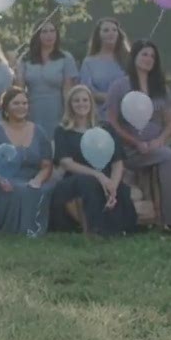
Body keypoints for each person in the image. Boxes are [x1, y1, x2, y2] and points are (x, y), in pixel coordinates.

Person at [103, 39, 171, 230]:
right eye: (144, 54)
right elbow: (112, 121)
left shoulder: (160, 87)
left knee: (170, 160)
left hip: (155, 147)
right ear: (135, 57)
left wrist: (159, 141)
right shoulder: (120, 86)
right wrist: (134, 141)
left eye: (152, 56)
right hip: (129, 149)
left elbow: (170, 122)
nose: (148, 59)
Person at [49, 84, 138, 237]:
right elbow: (66, 162)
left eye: (85, 100)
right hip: (74, 180)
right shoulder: (62, 130)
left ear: (91, 103)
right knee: (88, 183)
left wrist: (113, 186)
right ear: (70, 105)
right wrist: (98, 175)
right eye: (76, 101)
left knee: (121, 190)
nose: (81, 104)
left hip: (106, 178)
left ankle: (118, 228)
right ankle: (95, 230)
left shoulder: (106, 129)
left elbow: (118, 162)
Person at [0, 86, 54, 238]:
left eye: (24, 103)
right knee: (18, 189)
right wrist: (0, 179)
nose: (21, 107)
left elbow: (46, 166)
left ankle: (34, 230)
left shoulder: (39, 132)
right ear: (6, 108)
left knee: (39, 189)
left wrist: (37, 180)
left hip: (33, 179)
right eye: (16, 103)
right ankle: (15, 231)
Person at [17, 20, 78, 135]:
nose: (49, 35)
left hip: (57, 110)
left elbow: (68, 90)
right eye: (44, 31)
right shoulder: (25, 59)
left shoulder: (65, 58)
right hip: (32, 110)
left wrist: (69, 115)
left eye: (52, 31)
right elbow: (19, 89)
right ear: (37, 35)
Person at [78, 18, 132, 109]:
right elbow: (85, 90)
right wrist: (112, 98)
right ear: (98, 35)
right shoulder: (89, 62)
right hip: (99, 115)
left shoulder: (129, 59)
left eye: (114, 30)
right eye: (106, 30)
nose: (111, 33)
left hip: (126, 112)